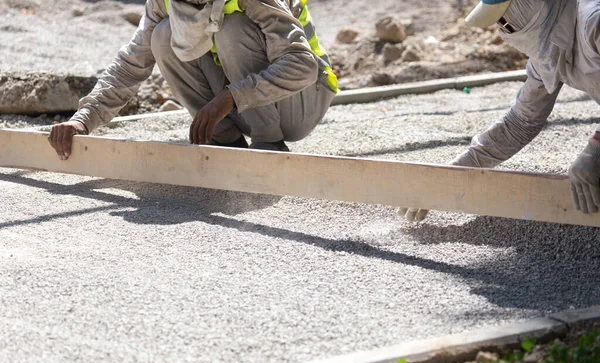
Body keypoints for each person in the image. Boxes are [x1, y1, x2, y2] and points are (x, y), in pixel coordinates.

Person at [48, 0, 338, 158]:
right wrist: (83, 118)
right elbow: (130, 64)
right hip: (246, 105)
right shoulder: (163, 2)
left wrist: (232, 97)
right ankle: (227, 143)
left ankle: (269, 145)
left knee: (234, 28)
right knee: (162, 35)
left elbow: (302, 65)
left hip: (301, 102)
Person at [399, 0, 600, 222]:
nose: (503, 30)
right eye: (499, 23)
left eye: (505, 19)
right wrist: (449, 176)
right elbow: (520, 123)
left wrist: (595, 148)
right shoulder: (548, 56)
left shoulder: (593, 21)